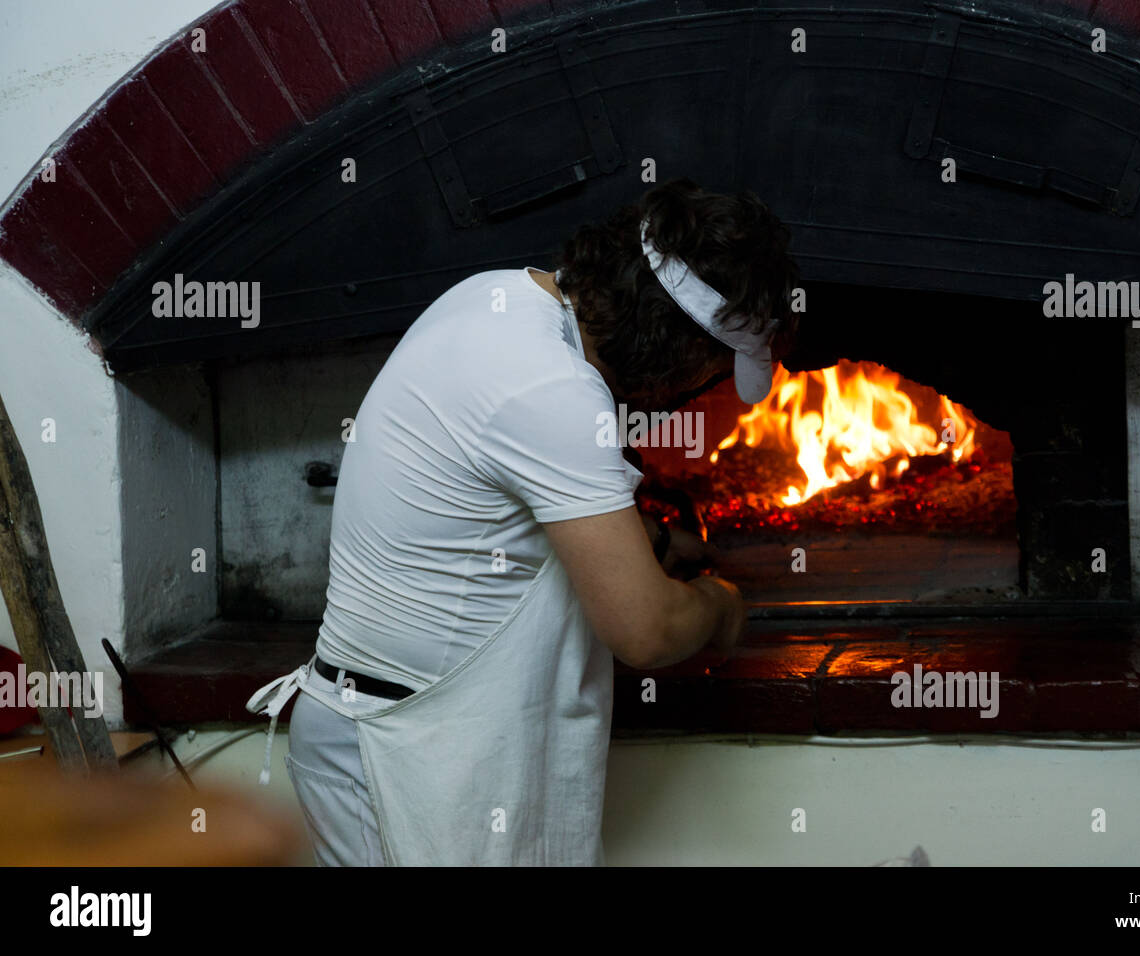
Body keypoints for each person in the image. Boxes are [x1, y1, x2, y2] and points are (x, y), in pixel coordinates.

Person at [247, 177, 800, 865]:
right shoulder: (555, 391)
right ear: (679, 352)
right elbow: (647, 632)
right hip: (405, 759)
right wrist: (720, 608)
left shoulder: (494, 296)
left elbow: (501, 504)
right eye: (708, 377)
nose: (693, 395)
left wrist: (654, 541)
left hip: (394, 729)